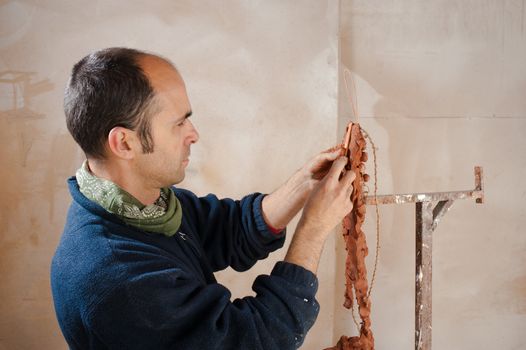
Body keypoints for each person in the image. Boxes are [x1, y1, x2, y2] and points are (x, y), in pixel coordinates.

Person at [51, 47, 356, 350]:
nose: (193, 134)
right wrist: (313, 230)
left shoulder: (144, 204)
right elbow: (251, 340)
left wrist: (303, 184)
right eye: (178, 123)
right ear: (124, 142)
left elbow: (228, 229)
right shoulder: (119, 278)